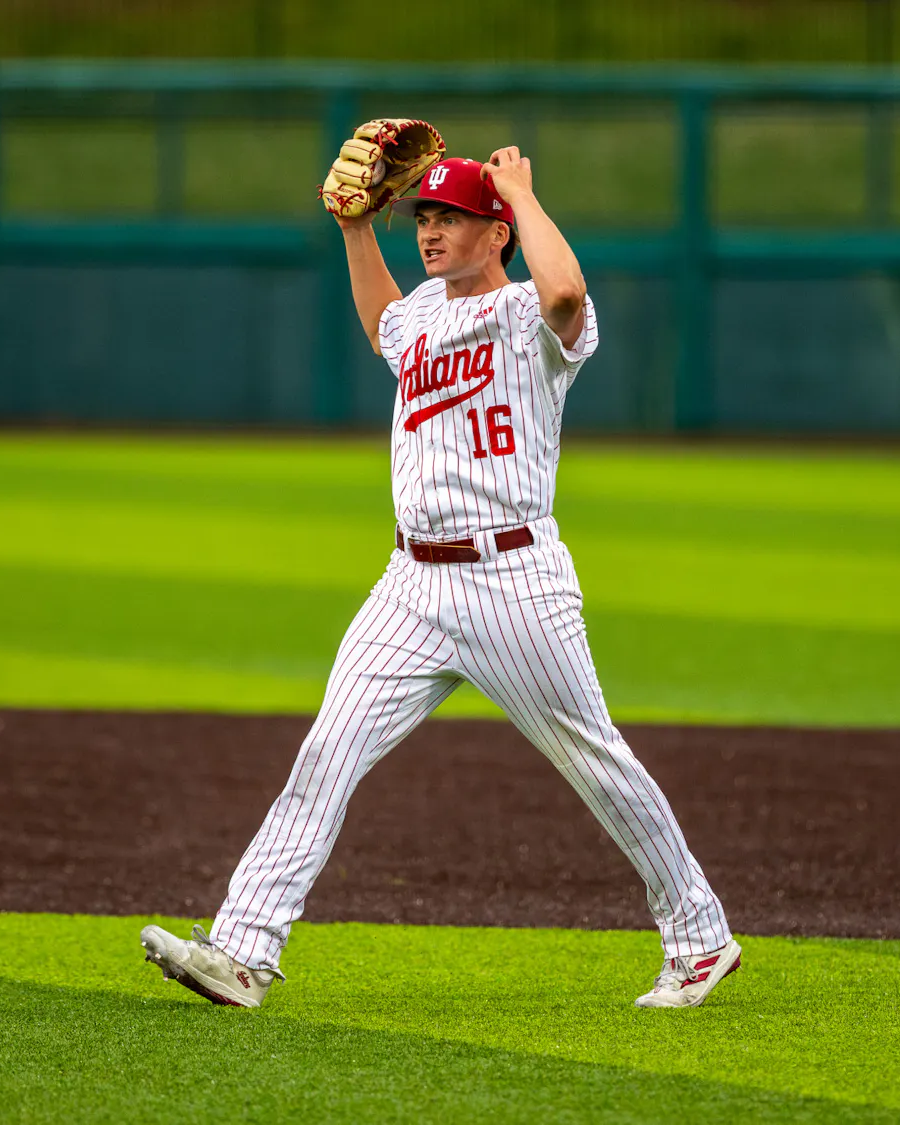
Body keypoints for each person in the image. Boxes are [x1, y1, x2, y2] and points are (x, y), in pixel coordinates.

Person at [140, 149, 742, 1007]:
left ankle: (699, 934)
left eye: (449, 218)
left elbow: (567, 292)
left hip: (513, 579)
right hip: (410, 583)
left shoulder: (533, 314)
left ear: (496, 233)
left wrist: (524, 194)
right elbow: (386, 321)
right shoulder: (423, 312)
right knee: (327, 753)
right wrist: (355, 228)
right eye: (423, 217)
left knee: (594, 760)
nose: (429, 229)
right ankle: (242, 948)